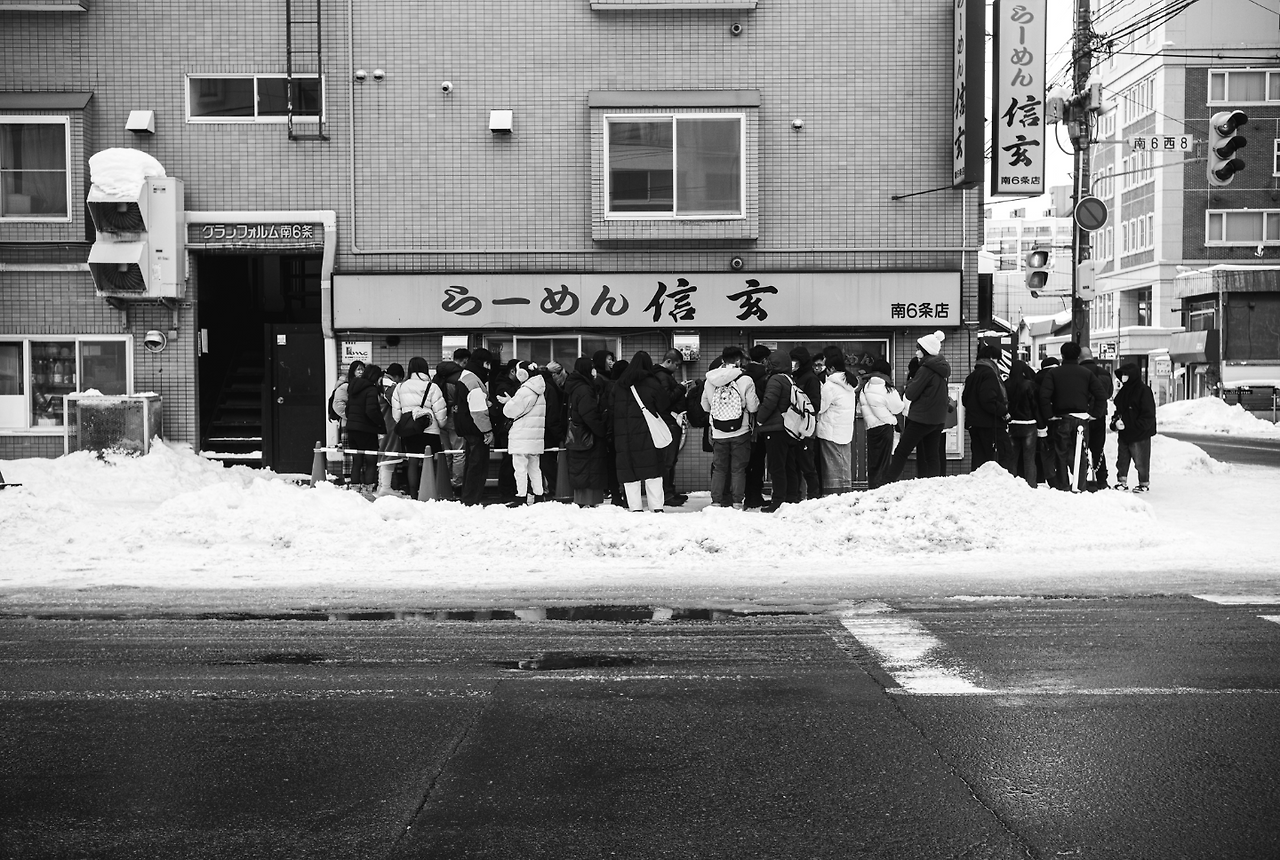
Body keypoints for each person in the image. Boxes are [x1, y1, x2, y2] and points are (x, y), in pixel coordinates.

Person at [1038, 341, 1107, 492]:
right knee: (1081, 454)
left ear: (1062, 355)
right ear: (1078, 356)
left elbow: (1044, 396)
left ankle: (1063, 486)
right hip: (1082, 418)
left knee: (1060, 453)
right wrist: (1094, 414)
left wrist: (1049, 415)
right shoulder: (1086, 374)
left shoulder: (1054, 373)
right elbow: (1101, 395)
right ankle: (1080, 486)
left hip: (1061, 418)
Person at [885, 330, 951, 482]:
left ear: (926, 351)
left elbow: (910, 394)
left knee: (902, 451)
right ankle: (934, 485)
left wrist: (910, 383)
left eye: (918, 349)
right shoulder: (941, 370)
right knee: (932, 455)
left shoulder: (926, 369)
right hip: (937, 419)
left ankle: (887, 482)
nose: (916, 352)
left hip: (921, 418)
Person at [701, 346, 760, 508]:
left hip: (718, 431)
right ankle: (737, 502)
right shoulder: (745, 379)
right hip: (741, 430)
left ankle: (716, 501)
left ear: (722, 360)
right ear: (738, 360)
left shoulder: (710, 379)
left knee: (719, 468)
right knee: (738, 469)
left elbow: (705, 405)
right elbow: (753, 407)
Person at [612, 351, 669, 512]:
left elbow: (611, 409)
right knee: (653, 471)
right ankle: (656, 507)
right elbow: (664, 405)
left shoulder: (619, 385)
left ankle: (635, 508)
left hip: (623, 435)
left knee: (629, 473)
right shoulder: (652, 382)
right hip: (647, 433)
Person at [391, 356, 447, 499]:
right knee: (430, 461)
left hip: (410, 431)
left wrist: (407, 423)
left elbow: (396, 413)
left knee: (413, 462)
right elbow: (440, 411)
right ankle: (429, 493)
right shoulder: (432, 387)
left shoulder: (400, 387)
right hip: (429, 429)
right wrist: (441, 425)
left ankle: (413, 494)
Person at [754, 351, 798, 513]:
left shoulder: (775, 380)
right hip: (788, 427)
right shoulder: (789, 379)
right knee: (788, 464)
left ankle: (778, 500)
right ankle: (791, 497)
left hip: (774, 428)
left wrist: (759, 420)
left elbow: (769, 402)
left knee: (776, 466)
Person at [564, 357, 609, 507]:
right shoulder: (585, 389)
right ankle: (589, 501)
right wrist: (601, 429)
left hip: (577, 434)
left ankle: (583, 500)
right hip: (588, 435)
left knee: (580, 468)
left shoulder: (574, 386)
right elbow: (589, 414)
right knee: (590, 468)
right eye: (591, 367)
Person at [502, 361, 548, 506]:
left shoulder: (524, 391)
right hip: (535, 437)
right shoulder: (540, 392)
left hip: (521, 435)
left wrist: (508, 402)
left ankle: (521, 496)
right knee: (535, 467)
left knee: (520, 468)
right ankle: (539, 495)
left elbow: (510, 411)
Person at [456, 348, 495, 506]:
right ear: (481, 363)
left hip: (467, 427)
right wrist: (488, 431)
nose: (489, 368)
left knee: (471, 464)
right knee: (478, 465)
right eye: (487, 364)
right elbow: (478, 411)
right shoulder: (474, 381)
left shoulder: (466, 376)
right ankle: (472, 499)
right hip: (476, 429)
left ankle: (468, 497)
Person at [816, 351, 858, 494]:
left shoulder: (830, 386)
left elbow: (821, 407)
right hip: (845, 430)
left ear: (832, 369)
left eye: (826, 368)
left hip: (830, 429)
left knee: (831, 465)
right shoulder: (850, 385)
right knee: (844, 463)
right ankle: (845, 491)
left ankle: (832, 493)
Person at [961, 343, 1008, 470]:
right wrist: (1004, 411)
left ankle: (978, 481)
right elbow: (988, 399)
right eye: (997, 359)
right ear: (991, 358)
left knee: (979, 459)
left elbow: (965, 399)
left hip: (974, 424)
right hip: (989, 424)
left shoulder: (972, 376)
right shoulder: (989, 374)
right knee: (998, 458)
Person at [1111, 363, 1156, 493]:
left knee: (1141, 461)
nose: (1124, 377)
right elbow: (1118, 410)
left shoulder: (1144, 391)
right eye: (1122, 375)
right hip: (1125, 433)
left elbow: (1148, 414)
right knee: (1122, 459)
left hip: (1140, 434)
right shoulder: (1123, 392)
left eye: (1126, 374)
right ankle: (1122, 481)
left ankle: (1143, 483)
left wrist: (1137, 426)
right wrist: (1115, 422)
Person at [859, 359, 904, 489]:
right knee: (885, 462)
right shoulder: (887, 388)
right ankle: (883, 488)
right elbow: (897, 408)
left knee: (873, 461)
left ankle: (873, 487)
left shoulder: (865, 387)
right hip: (885, 428)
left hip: (871, 428)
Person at [654, 349, 689, 506]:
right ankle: (667, 494)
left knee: (670, 459)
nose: (677, 368)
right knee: (668, 459)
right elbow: (666, 399)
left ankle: (669, 491)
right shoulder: (662, 376)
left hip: (668, 421)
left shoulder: (662, 375)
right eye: (677, 365)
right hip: (669, 421)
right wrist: (681, 388)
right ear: (668, 361)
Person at [788, 346, 823, 501]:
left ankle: (813, 495)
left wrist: (800, 410)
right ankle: (796, 495)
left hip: (806, 427)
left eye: (795, 361)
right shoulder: (794, 377)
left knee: (807, 464)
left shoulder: (810, 379)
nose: (793, 364)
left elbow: (815, 405)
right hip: (793, 427)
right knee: (794, 464)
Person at [344, 362, 384, 493]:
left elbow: (347, 410)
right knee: (371, 461)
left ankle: (355, 489)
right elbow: (371, 411)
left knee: (357, 461)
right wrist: (380, 424)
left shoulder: (353, 387)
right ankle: (367, 490)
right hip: (366, 430)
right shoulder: (371, 389)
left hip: (352, 429)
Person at [1080, 347, 1114, 491]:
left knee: (1081, 448)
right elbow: (1109, 393)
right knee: (1098, 450)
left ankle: (1081, 480)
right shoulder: (1104, 373)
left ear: (1079, 358)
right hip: (1099, 416)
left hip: (1082, 415)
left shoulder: (1079, 372)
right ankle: (1102, 481)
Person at [743, 344, 772, 509]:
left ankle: (747, 495)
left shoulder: (743, 375)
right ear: (764, 360)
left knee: (747, 462)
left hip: (744, 425)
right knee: (759, 461)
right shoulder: (765, 377)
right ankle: (755, 495)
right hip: (760, 425)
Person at [1002, 360, 1039, 488]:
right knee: (1029, 458)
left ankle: (1012, 485)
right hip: (1029, 424)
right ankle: (1031, 485)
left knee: (1012, 458)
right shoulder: (1030, 385)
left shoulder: (1006, 384)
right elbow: (1035, 406)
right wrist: (1041, 424)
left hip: (1012, 424)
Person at [1033, 356, 1060, 485]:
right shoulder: (1059, 377)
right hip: (1060, 418)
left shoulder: (1035, 378)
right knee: (1062, 450)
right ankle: (1063, 478)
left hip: (1041, 420)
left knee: (1045, 450)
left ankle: (1049, 478)